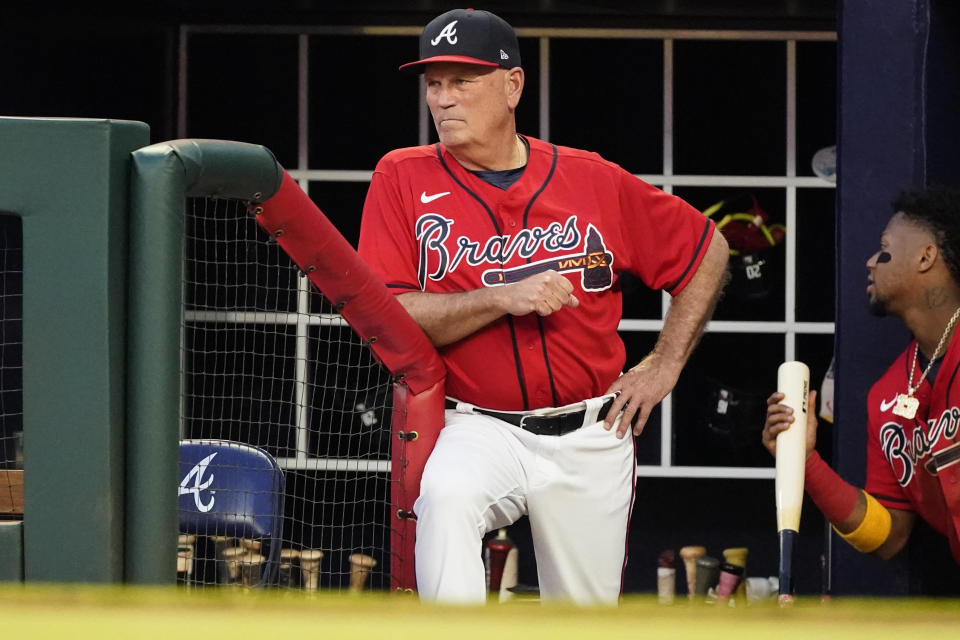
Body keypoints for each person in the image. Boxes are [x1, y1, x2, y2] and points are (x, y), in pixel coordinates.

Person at [358, 8, 729, 604]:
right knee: (446, 497)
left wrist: (665, 364)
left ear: (513, 85)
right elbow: (388, 312)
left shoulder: (591, 180)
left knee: (581, 619)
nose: (443, 99)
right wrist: (499, 297)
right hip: (477, 423)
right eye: (434, 83)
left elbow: (707, 247)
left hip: (590, 429)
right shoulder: (402, 176)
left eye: (462, 81)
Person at [763, 187, 960, 566]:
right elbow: (888, 535)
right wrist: (804, 460)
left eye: (884, 247)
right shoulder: (887, 394)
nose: (871, 261)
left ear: (925, 256)